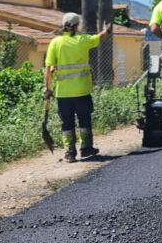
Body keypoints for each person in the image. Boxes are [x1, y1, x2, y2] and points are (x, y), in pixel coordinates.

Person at [44, 13, 112, 163]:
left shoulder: (55, 43)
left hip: (63, 93)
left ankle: (70, 153)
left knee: (66, 123)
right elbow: (99, 37)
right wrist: (106, 30)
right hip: (82, 90)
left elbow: (48, 68)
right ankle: (86, 149)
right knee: (84, 120)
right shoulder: (82, 40)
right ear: (76, 26)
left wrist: (47, 88)